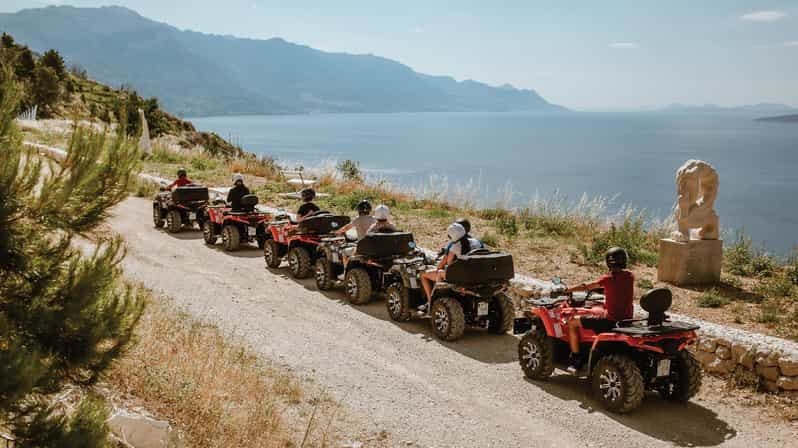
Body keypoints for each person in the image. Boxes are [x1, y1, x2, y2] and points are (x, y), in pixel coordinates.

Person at [563, 246, 635, 372]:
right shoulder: (630, 276)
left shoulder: (606, 279)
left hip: (609, 321)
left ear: (608, 262)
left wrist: (568, 289)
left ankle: (576, 357)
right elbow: (617, 288)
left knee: (572, 322)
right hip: (626, 320)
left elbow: (586, 286)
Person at [420, 222, 471, 303]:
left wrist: (438, 268)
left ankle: (431, 301)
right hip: (472, 274)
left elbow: (448, 262)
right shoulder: (476, 242)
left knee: (424, 275)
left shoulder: (455, 245)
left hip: (458, 276)